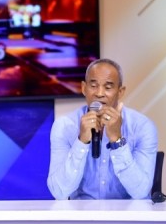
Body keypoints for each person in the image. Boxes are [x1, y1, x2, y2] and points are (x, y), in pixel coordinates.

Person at [47, 58, 157, 200]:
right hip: (82, 212)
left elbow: (140, 192)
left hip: (126, 213)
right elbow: (58, 192)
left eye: (108, 87)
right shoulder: (64, 126)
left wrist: (117, 141)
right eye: (93, 86)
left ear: (120, 91)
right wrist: (81, 142)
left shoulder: (142, 126)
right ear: (83, 88)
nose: (99, 93)